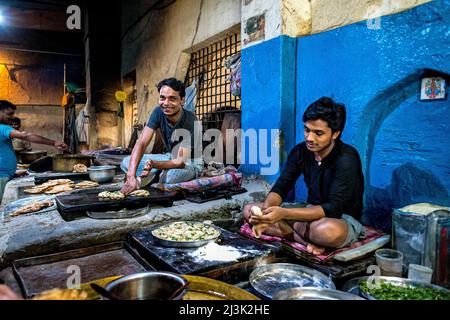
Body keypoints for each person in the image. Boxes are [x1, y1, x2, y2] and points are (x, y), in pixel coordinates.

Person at [244, 97, 365, 255]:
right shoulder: (300, 151)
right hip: (308, 211)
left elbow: (332, 208)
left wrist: (284, 214)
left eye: (318, 133)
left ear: (335, 133)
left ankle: (296, 233)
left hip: (339, 218)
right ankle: (305, 241)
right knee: (249, 210)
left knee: (327, 231)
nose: (309, 138)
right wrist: (267, 212)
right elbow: (281, 187)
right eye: (307, 130)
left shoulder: (347, 158)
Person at [120, 78, 203, 194]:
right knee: (126, 163)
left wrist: (155, 164)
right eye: (162, 98)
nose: (166, 103)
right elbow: (142, 143)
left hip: (190, 162)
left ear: (182, 101)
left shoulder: (191, 121)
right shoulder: (158, 112)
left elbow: (180, 162)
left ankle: (157, 175)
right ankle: (156, 175)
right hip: (169, 157)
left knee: (171, 176)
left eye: (172, 99)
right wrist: (130, 176)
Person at [0, 100, 70, 202]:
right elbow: (25, 135)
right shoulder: (2, 128)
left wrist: (12, 173)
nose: (12, 117)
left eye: (13, 114)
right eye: (9, 114)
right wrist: (54, 143)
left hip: (5, 175)